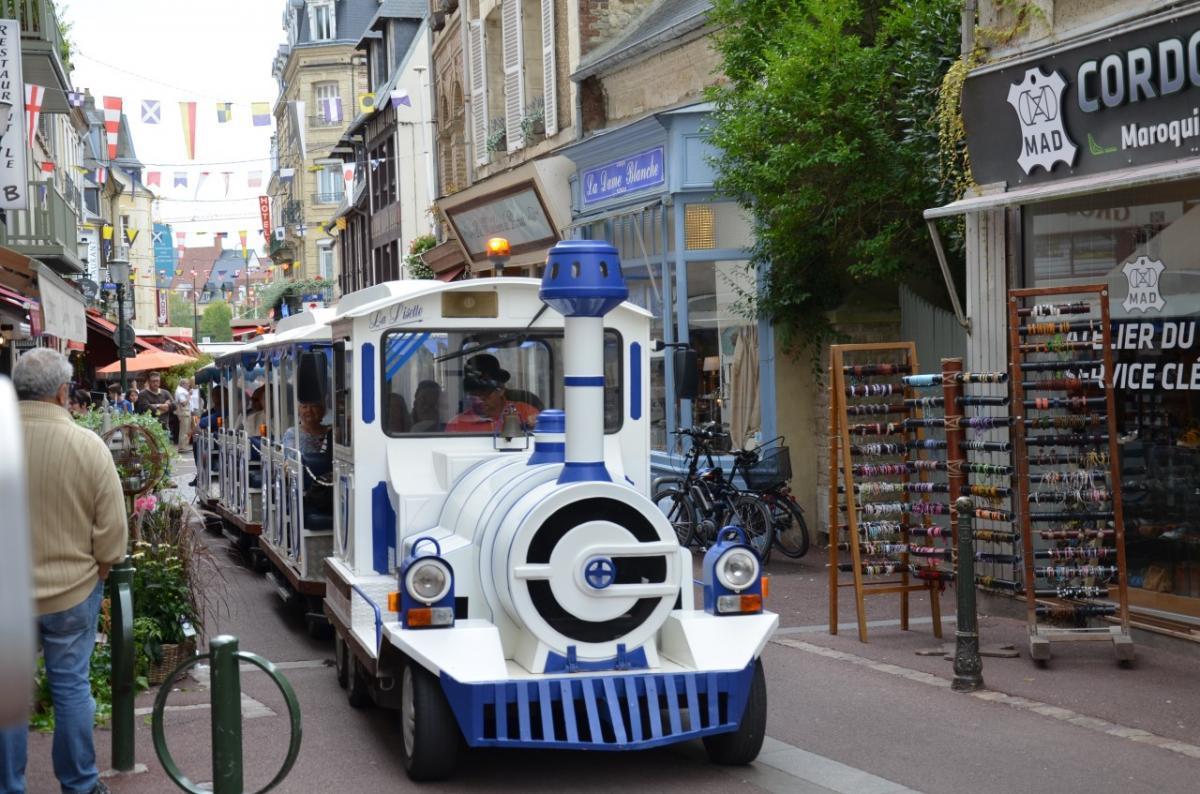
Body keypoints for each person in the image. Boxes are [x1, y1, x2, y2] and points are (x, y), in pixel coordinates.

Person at [0, 349, 126, 794]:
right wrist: (100, 573)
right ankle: (79, 784)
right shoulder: (87, 445)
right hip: (73, 591)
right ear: (61, 391)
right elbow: (113, 532)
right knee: (72, 688)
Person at [446, 354, 539, 434]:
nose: (478, 400)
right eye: (473, 394)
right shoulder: (456, 426)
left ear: (501, 390)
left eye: (485, 393)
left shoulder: (527, 413)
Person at [174, 377, 192, 451]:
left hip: (185, 412)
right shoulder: (181, 391)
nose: (189, 386)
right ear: (183, 384)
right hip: (184, 412)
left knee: (185, 430)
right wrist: (189, 395)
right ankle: (182, 447)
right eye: (188, 384)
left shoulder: (181, 390)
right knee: (184, 430)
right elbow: (183, 403)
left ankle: (183, 446)